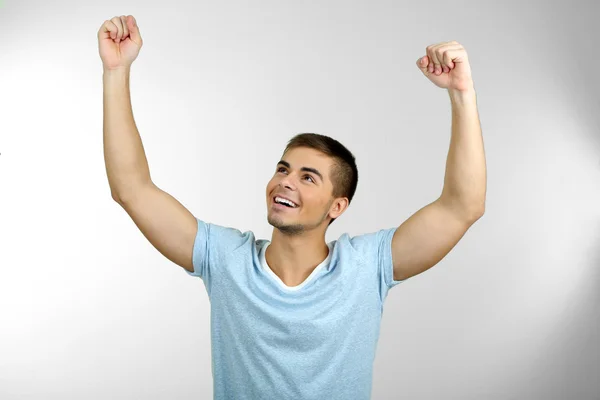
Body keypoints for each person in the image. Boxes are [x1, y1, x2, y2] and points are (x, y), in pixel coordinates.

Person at [98, 15, 486, 400]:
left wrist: (462, 93)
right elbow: (132, 189)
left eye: (308, 176)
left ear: (337, 206)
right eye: (283, 169)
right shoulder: (227, 260)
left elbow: (462, 206)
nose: (285, 180)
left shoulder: (365, 268)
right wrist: (116, 72)